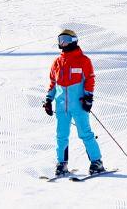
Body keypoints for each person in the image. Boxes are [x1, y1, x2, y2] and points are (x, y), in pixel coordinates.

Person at [43, 30, 105, 178]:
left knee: (85, 133)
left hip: (78, 105)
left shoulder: (83, 60)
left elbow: (90, 79)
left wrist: (88, 97)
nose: (62, 43)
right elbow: (53, 83)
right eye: (60, 40)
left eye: (65, 39)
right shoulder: (57, 62)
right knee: (61, 135)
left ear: (73, 40)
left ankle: (97, 162)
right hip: (61, 106)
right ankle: (61, 164)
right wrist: (48, 100)